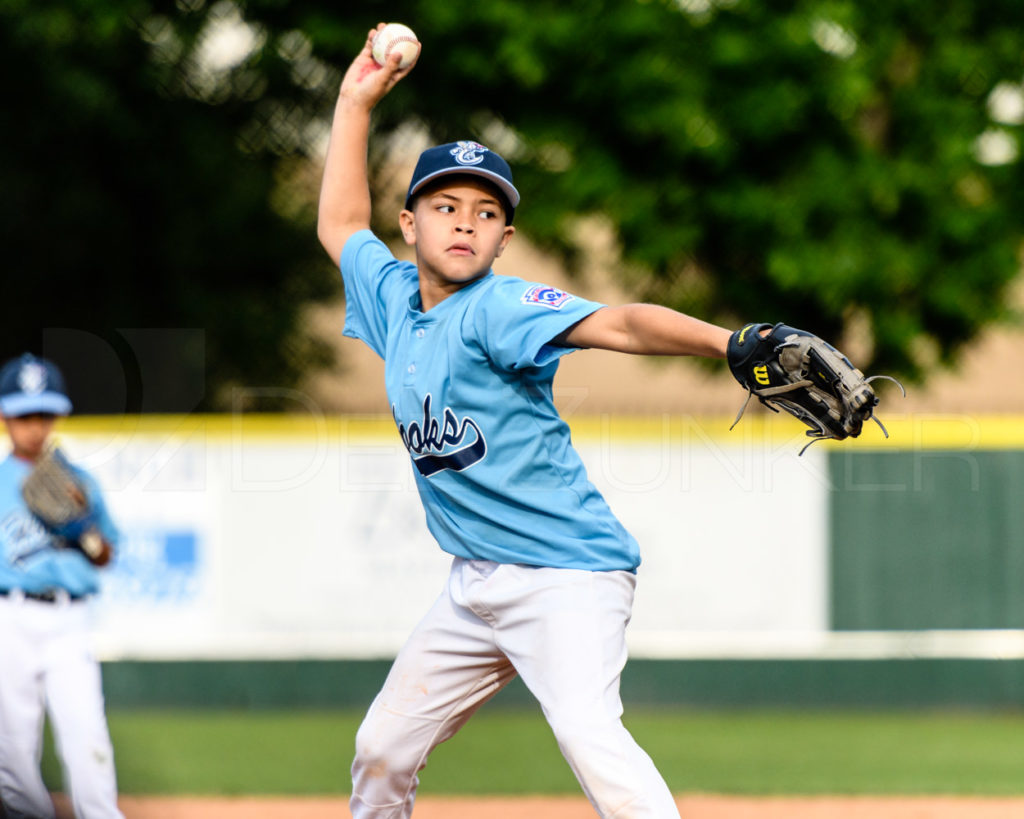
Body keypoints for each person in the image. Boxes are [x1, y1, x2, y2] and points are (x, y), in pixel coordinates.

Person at [317, 25, 732, 819]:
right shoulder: (393, 300)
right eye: (445, 206)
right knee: (380, 749)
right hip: (474, 584)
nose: (465, 222)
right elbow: (339, 225)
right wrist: (353, 101)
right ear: (410, 226)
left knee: (587, 732)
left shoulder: (499, 308)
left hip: (568, 574)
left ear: (506, 238)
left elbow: (621, 323)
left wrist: (728, 341)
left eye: (485, 211)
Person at [0, 353, 124, 819]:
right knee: (11, 752)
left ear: (57, 417)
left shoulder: (79, 481)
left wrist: (83, 527)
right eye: (23, 415)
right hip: (9, 617)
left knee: (87, 737)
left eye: (43, 415)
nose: (34, 426)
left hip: (69, 619)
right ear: (4, 416)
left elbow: (106, 554)